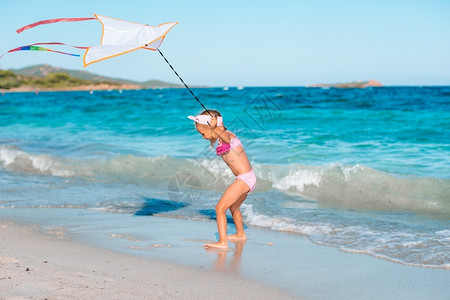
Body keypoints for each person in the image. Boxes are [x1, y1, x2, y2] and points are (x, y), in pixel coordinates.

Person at [188, 110, 256, 249]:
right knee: (233, 207)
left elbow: (226, 138)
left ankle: (223, 242)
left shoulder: (228, 136)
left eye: (203, 133)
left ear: (212, 127)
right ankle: (240, 234)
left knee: (220, 208)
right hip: (246, 177)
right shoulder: (220, 139)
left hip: (245, 178)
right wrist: (213, 128)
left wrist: (214, 127)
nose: (203, 137)